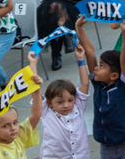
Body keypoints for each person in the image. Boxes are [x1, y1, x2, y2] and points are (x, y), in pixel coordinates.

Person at [74, 16, 125, 159]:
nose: (96, 68)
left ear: (114, 75)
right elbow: (90, 52)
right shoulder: (98, 84)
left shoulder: (123, 86)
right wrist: (79, 28)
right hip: (106, 146)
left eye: (102, 66)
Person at [36, 28, 90, 159]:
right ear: (49, 102)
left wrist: (80, 59)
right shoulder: (45, 111)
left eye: (70, 100)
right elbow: (35, 91)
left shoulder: (78, 105)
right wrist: (33, 65)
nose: (67, 105)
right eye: (60, 102)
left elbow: (85, 84)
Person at [0, 52, 43, 159]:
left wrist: (33, 66)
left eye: (15, 122)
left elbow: (36, 115)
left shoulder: (19, 138)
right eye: (5, 126)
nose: (13, 128)